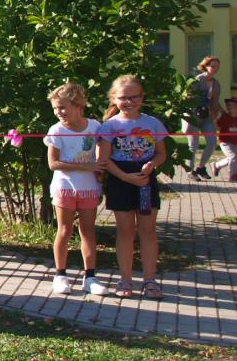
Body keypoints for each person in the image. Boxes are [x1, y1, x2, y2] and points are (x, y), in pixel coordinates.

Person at [96, 75, 167, 300]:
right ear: (114, 99)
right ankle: (125, 279)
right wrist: (126, 177)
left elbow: (162, 154)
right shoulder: (109, 126)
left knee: (148, 230)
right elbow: (104, 160)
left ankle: (150, 280)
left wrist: (152, 164)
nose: (129, 102)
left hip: (145, 180)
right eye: (123, 98)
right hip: (120, 180)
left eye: (134, 97)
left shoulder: (153, 123)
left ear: (142, 97)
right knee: (125, 231)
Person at [44, 82, 107, 296]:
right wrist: (86, 167)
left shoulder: (95, 127)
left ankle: (90, 277)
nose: (58, 112)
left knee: (88, 231)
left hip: (89, 188)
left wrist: (99, 170)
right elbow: (53, 163)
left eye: (62, 107)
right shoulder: (56, 130)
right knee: (64, 230)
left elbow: (101, 152)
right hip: (65, 187)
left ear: (78, 105)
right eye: (55, 108)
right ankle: (60, 275)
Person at [185, 55, 221, 179]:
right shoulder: (198, 80)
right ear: (205, 66)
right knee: (193, 146)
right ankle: (190, 172)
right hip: (193, 116)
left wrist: (216, 115)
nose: (215, 69)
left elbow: (215, 102)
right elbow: (189, 97)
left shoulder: (216, 84)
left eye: (217, 67)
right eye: (213, 66)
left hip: (207, 117)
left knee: (212, 143)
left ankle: (200, 168)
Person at [214, 96, 237, 182]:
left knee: (231, 158)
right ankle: (233, 176)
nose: (228, 107)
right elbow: (217, 126)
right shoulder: (225, 117)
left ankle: (217, 165)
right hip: (225, 142)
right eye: (227, 105)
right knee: (233, 157)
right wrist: (214, 121)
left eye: (231, 105)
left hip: (235, 142)